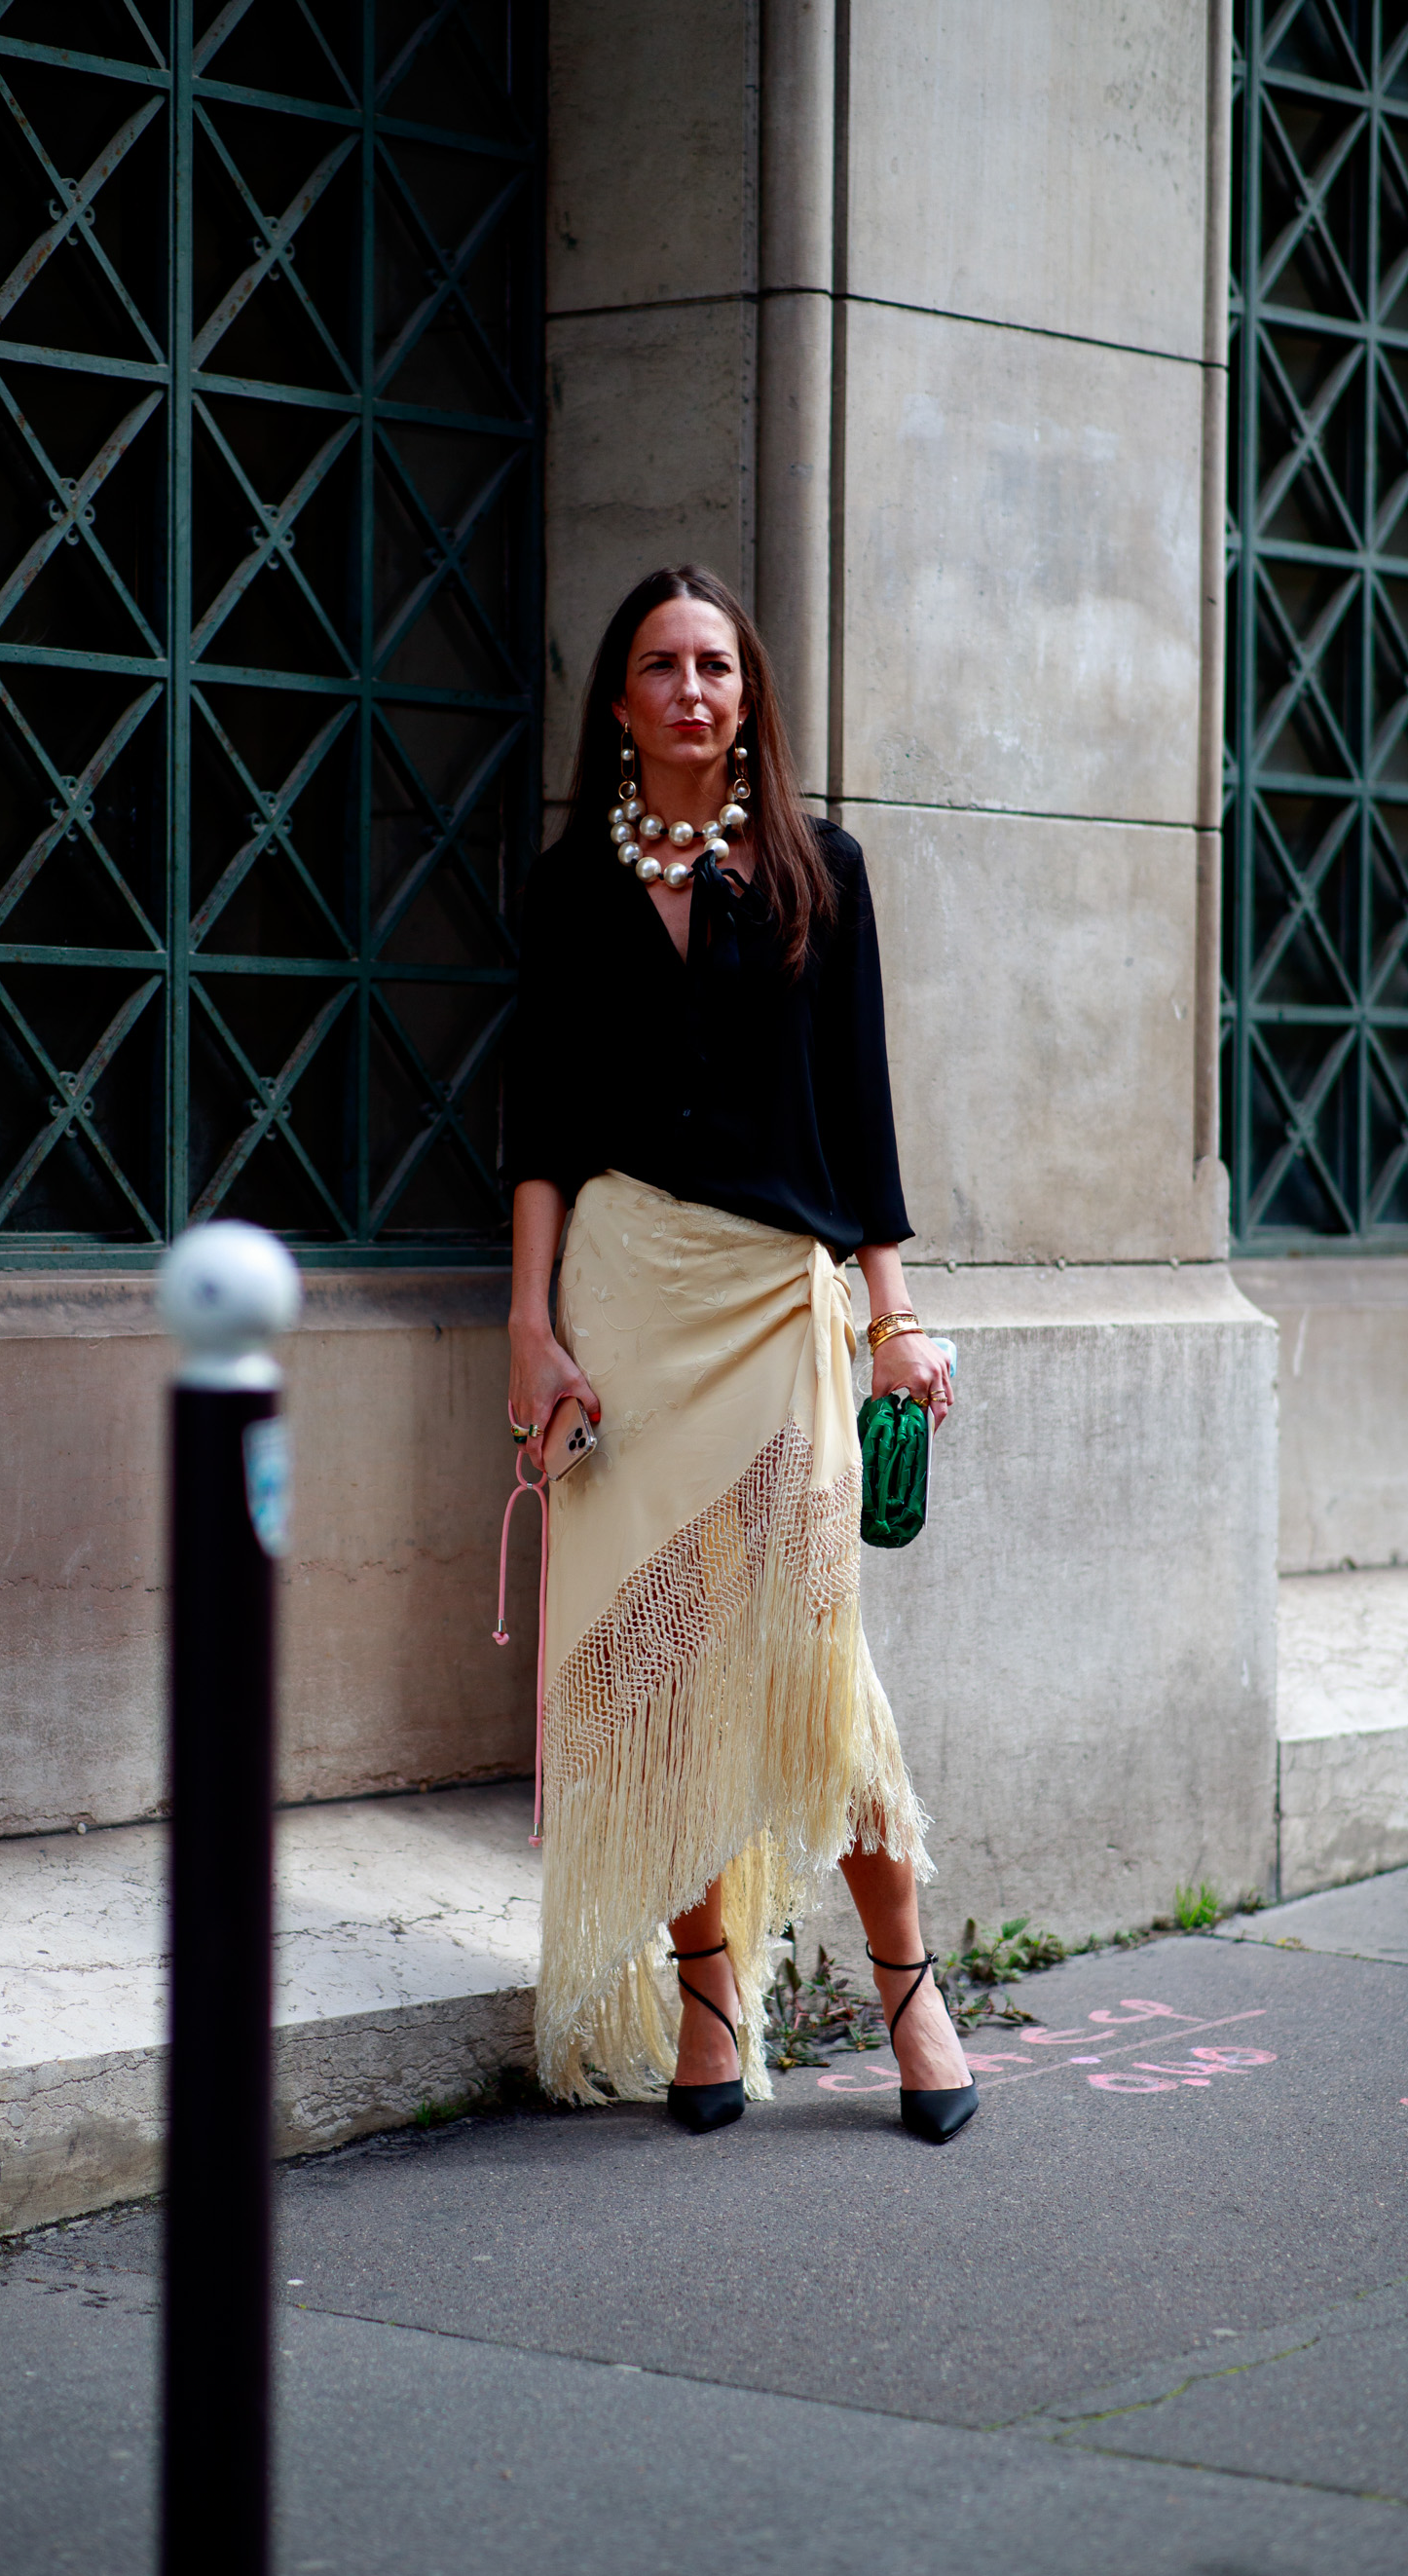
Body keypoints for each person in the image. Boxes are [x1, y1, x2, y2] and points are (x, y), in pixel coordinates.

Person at [502, 563, 978, 2145]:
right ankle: (708, 1993)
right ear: (620, 701)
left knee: (811, 1663)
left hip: (778, 1305)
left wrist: (893, 1317)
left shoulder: (819, 872)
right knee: (663, 1670)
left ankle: (910, 1988)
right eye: (659, 666)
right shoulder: (570, 887)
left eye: (716, 664)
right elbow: (543, 1133)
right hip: (628, 1301)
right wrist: (530, 1327)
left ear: (748, 695)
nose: (692, 690)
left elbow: (864, 1124)